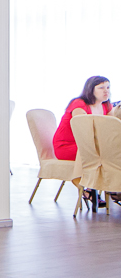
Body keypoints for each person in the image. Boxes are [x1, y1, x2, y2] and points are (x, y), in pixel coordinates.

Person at [54, 78, 117, 207]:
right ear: (90, 89)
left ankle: (113, 187)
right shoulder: (79, 104)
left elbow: (112, 128)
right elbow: (82, 131)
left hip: (90, 144)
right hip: (67, 145)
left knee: (113, 151)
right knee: (100, 153)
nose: (106, 91)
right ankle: (91, 189)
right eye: (101, 88)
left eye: (108, 87)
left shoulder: (106, 105)